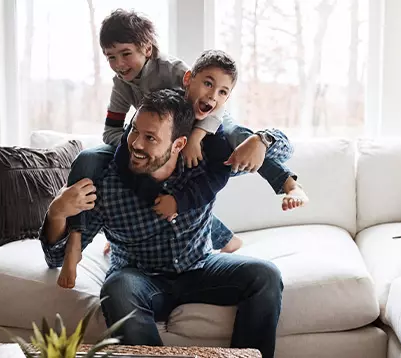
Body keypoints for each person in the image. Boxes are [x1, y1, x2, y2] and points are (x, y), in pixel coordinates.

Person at [40, 89, 283, 358]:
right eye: (134, 131)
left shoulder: (203, 165)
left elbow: (283, 153)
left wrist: (263, 140)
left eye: (150, 138)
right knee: (117, 289)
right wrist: (56, 213)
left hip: (200, 266)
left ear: (179, 144)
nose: (136, 144)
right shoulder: (107, 183)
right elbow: (56, 258)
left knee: (266, 274)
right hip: (140, 277)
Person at [65, 9, 308, 259]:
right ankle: (95, 237)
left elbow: (211, 100)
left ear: (147, 48)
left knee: (239, 139)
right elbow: (111, 131)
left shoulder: (173, 71)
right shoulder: (121, 84)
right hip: (163, 145)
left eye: (126, 54)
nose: (118, 64)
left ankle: (288, 184)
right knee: (93, 159)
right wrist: (138, 144)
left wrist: (196, 137)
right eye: (111, 58)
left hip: (207, 126)